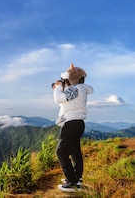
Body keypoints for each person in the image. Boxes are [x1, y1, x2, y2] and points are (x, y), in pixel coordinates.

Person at [52, 63, 93, 192]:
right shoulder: (80, 89)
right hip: (77, 123)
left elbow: (58, 99)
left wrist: (57, 88)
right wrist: (67, 76)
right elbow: (67, 95)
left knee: (61, 152)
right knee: (75, 151)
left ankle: (72, 182)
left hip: (71, 124)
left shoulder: (77, 89)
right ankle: (77, 178)